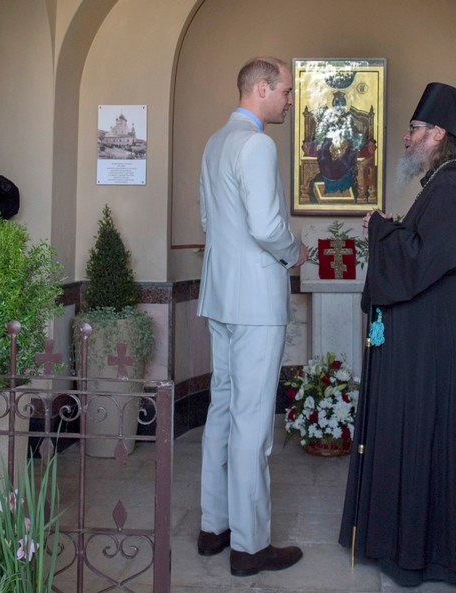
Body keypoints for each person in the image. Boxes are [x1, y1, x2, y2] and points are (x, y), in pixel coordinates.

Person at [338, 82, 456, 587]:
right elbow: (425, 249)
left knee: (428, 441)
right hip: (428, 341)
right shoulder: (443, 184)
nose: (405, 139)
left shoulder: (453, 187)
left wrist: (382, 233)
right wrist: (393, 230)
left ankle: (422, 552)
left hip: (436, 349)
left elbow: (421, 259)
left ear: (438, 133)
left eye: (412, 129)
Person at [196, 56, 307, 577]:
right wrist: (294, 251)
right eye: (285, 90)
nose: (289, 99)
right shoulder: (258, 144)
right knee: (252, 421)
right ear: (262, 88)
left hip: (219, 295)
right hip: (257, 303)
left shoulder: (215, 142)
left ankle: (214, 525)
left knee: (221, 408)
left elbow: (208, 222)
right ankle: (250, 545)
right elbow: (266, 225)